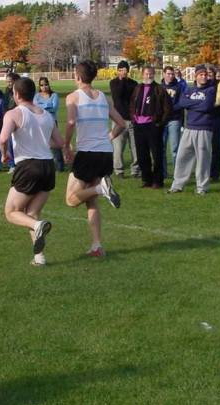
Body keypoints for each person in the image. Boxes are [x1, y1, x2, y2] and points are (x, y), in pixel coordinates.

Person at [0, 77, 64, 267]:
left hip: (28, 167)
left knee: (11, 212)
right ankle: (39, 257)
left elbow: (3, 139)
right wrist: (42, 142)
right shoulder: (46, 114)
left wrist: (3, 155)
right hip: (48, 167)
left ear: (17, 94)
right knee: (32, 213)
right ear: (33, 93)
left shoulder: (13, 113)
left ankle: (38, 226)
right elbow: (59, 143)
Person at [63, 60, 124, 258]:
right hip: (105, 154)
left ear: (78, 77)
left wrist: (65, 145)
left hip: (87, 153)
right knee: (91, 201)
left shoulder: (73, 97)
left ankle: (101, 188)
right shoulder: (103, 98)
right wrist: (108, 137)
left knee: (71, 200)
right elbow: (121, 123)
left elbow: (71, 122)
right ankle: (97, 245)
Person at [168, 64, 217, 195]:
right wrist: (197, 104)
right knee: (182, 157)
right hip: (189, 128)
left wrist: (192, 105)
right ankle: (177, 185)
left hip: (204, 128)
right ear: (196, 76)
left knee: (202, 160)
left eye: (205, 75)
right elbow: (182, 103)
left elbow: (207, 106)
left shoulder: (211, 90)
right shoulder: (189, 90)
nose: (204, 77)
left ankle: (202, 187)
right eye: (201, 75)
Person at [129, 66, 171, 188]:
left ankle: (158, 181)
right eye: (146, 74)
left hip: (153, 126)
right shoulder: (137, 88)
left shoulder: (159, 89)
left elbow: (167, 109)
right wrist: (133, 117)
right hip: (139, 125)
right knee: (142, 154)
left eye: (151, 74)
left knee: (157, 154)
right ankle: (147, 179)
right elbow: (132, 104)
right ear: (142, 75)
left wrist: (160, 123)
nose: (149, 76)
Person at [110, 60, 140, 178]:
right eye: (121, 70)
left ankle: (135, 170)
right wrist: (122, 81)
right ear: (117, 71)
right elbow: (118, 96)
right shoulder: (114, 83)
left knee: (135, 148)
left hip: (133, 120)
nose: (123, 72)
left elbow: (135, 99)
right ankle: (119, 170)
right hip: (119, 120)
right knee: (118, 148)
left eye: (125, 70)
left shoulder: (134, 84)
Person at [34, 77, 64, 172]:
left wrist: (41, 106)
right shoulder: (37, 96)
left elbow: (54, 108)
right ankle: (45, 165)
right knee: (42, 144)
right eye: (42, 85)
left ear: (49, 84)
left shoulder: (54, 95)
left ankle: (59, 165)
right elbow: (35, 107)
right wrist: (47, 105)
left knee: (55, 144)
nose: (44, 87)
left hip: (52, 122)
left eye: (46, 84)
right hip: (40, 123)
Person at [161, 66, 184, 176]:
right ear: (164, 74)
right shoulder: (159, 87)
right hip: (162, 121)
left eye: (172, 74)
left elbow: (181, 103)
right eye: (168, 74)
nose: (170, 76)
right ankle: (163, 172)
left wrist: (170, 109)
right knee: (162, 148)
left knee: (175, 148)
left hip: (174, 119)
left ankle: (177, 172)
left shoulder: (178, 87)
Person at [207, 65, 220, 181]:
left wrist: (203, 106)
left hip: (216, 118)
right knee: (204, 148)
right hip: (204, 119)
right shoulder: (201, 85)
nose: (208, 76)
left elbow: (218, 101)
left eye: (210, 73)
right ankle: (205, 171)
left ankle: (214, 173)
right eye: (206, 73)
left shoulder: (219, 84)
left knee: (215, 147)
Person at [3, 72, 20, 173]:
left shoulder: (19, 92)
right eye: (7, 82)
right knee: (9, 142)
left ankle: (19, 163)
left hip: (17, 119)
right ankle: (12, 164)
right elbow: (5, 104)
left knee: (17, 142)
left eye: (10, 81)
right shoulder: (7, 91)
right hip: (9, 119)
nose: (8, 83)